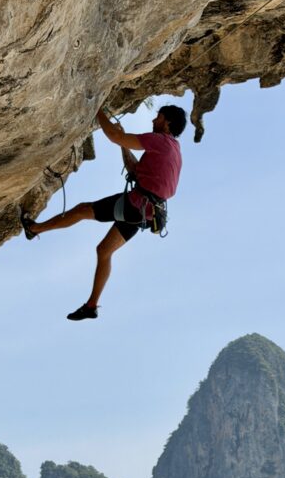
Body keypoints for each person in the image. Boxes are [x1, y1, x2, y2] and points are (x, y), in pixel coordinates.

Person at [20, 105, 186, 320]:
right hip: (145, 214)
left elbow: (114, 136)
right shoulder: (174, 149)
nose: (154, 120)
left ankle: (34, 228)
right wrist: (123, 144)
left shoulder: (160, 141)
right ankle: (91, 306)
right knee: (104, 251)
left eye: (159, 117)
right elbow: (134, 169)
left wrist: (97, 110)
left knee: (82, 211)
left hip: (134, 205)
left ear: (168, 122)